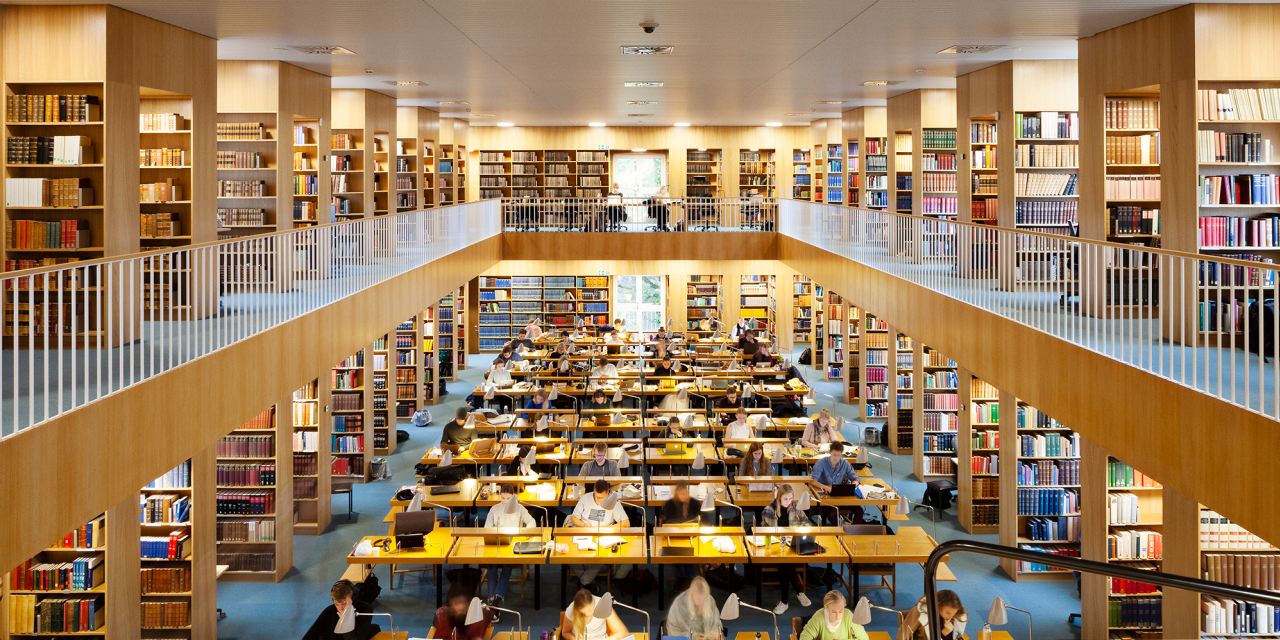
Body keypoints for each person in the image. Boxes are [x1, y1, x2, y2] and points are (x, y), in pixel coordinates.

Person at [569, 480, 629, 593]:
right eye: (596, 497)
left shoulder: (613, 502)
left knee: (601, 555)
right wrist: (584, 525)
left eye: (602, 498)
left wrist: (607, 529)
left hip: (603, 536)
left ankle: (584, 581)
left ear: (608, 492)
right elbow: (573, 518)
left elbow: (626, 523)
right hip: (584, 533)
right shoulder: (586, 498)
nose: (598, 500)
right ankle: (587, 582)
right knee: (568, 555)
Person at [484, 484, 536, 611]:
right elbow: (486, 528)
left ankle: (493, 603)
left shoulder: (519, 508)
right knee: (491, 568)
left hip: (512, 544)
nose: (505, 501)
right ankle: (493, 601)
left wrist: (527, 532)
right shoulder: (494, 509)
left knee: (507, 567)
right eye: (502, 498)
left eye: (508, 498)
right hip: (496, 543)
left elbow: (532, 521)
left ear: (513, 497)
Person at [761, 484, 810, 613]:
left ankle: (784, 602)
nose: (788, 502)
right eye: (785, 499)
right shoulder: (769, 510)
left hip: (790, 544)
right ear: (779, 498)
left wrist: (800, 530)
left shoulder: (796, 508)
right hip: (775, 544)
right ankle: (799, 591)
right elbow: (763, 529)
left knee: (784, 563)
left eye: (790, 499)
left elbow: (807, 523)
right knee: (784, 562)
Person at [301, 580, 381, 640]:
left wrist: (345, 622)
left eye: (343, 604)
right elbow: (309, 637)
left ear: (352, 598)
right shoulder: (329, 612)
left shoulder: (365, 610)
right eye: (336, 604)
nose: (340, 608)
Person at [810, 441, 860, 525]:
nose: (836, 458)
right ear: (830, 452)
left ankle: (852, 532)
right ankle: (839, 532)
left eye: (839, 455)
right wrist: (825, 487)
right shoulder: (821, 463)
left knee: (860, 511)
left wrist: (852, 486)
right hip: (828, 496)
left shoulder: (845, 463)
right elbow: (813, 481)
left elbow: (855, 478)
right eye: (834, 455)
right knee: (831, 514)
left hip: (841, 495)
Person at [799, 591, 870, 640]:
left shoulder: (848, 616)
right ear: (826, 608)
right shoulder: (819, 617)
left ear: (844, 606)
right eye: (833, 612)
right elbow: (804, 638)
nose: (837, 616)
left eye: (841, 611)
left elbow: (864, 638)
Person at [563, 588, 631, 640]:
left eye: (588, 610)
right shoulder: (572, 609)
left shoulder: (602, 605)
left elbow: (622, 632)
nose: (586, 614)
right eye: (582, 612)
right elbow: (565, 632)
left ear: (593, 600)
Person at [900, 590, 968, 640]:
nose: (951, 617)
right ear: (938, 605)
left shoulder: (954, 617)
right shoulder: (921, 614)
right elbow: (904, 634)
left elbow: (956, 636)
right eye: (948, 613)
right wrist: (943, 633)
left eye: (954, 613)